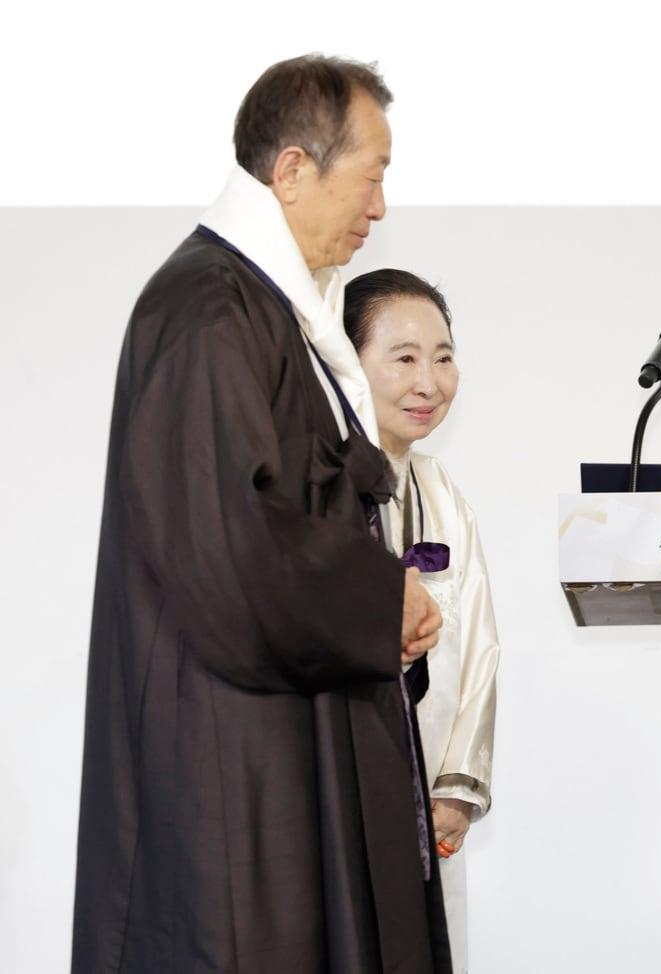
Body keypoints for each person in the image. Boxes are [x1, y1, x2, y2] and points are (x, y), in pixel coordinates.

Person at [72, 56, 453, 973]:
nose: (381, 208)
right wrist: (379, 603)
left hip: (283, 746)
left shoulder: (267, 310)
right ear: (291, 171)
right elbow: (231, 548)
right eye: (373, 176)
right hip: (233, 771)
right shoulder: (209, 310)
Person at [346, 268, 501, 973]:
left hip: (427, 801)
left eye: (443, 357)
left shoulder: (442, 493)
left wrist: (457, 787)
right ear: (348, 364)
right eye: (404, 357)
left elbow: (480, 651)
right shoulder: (316, 491)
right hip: (339, 784)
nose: (429, 381)